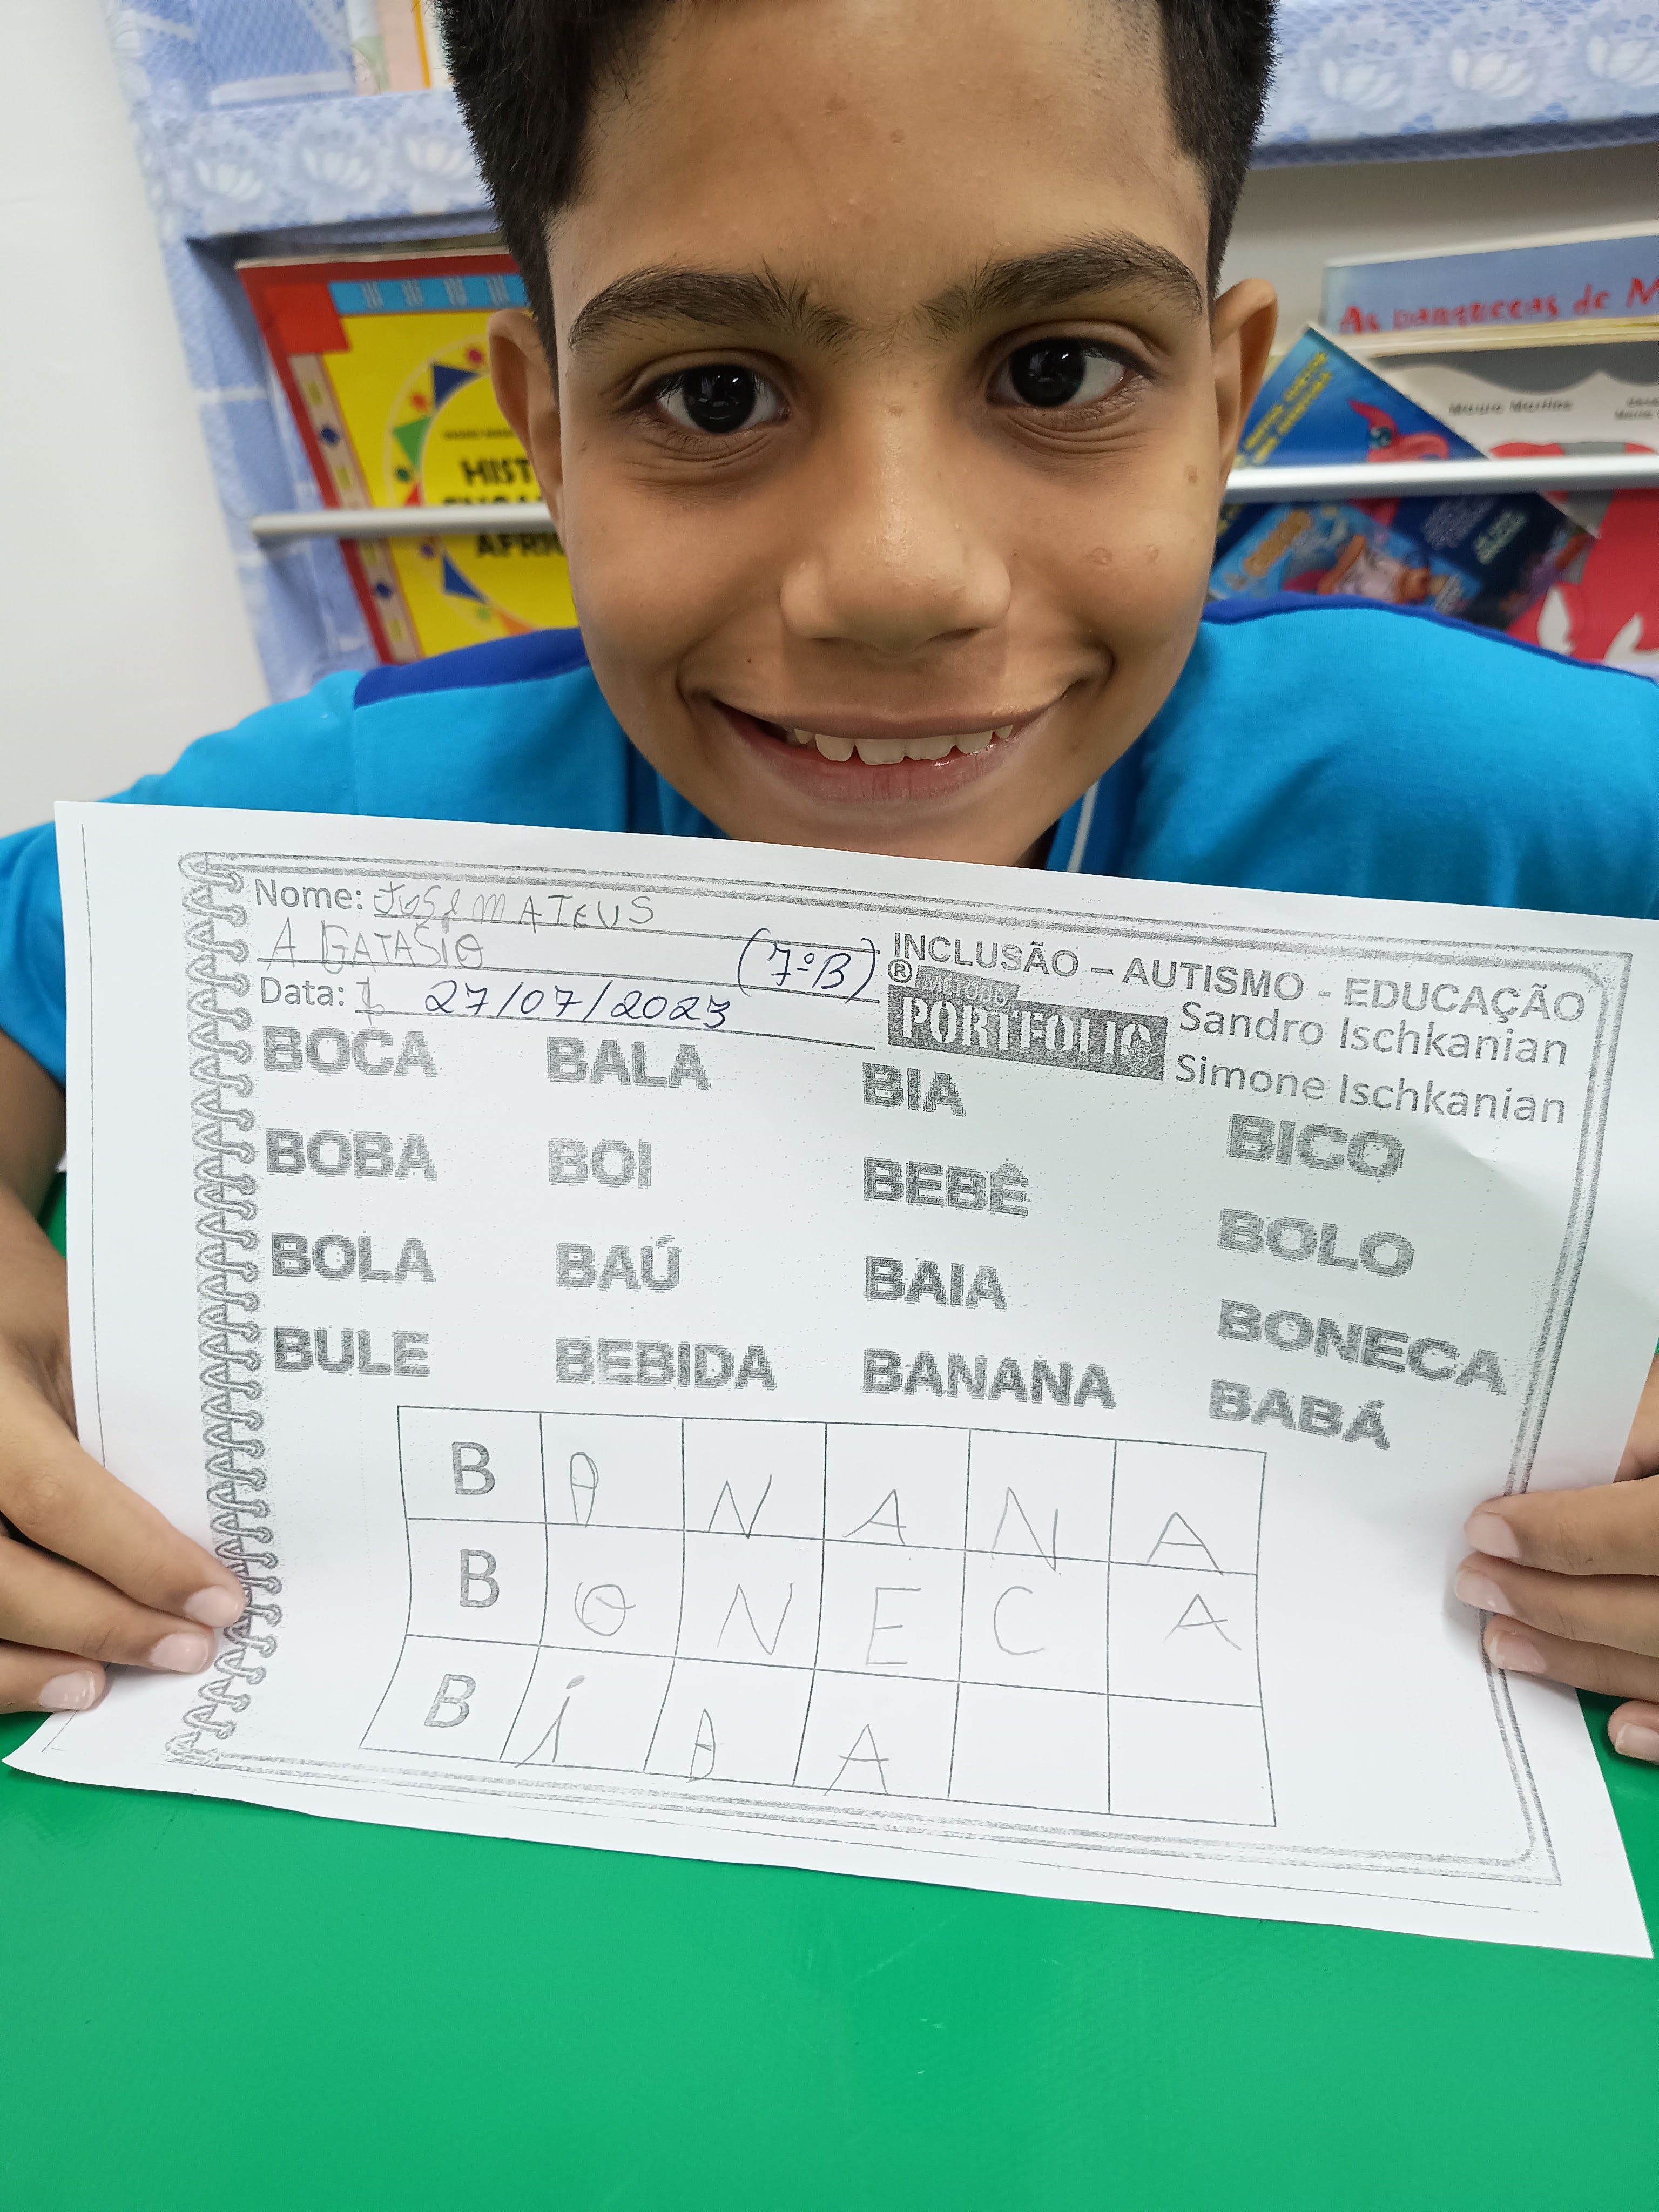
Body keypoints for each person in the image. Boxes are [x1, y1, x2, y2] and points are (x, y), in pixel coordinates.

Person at [2, 0, 1658, 1766]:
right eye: (711, 396)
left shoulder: (1488, 793)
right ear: (546, 434)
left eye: (1059, 372)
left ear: (1225, 393)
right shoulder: (367, 815)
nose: (897, 578)